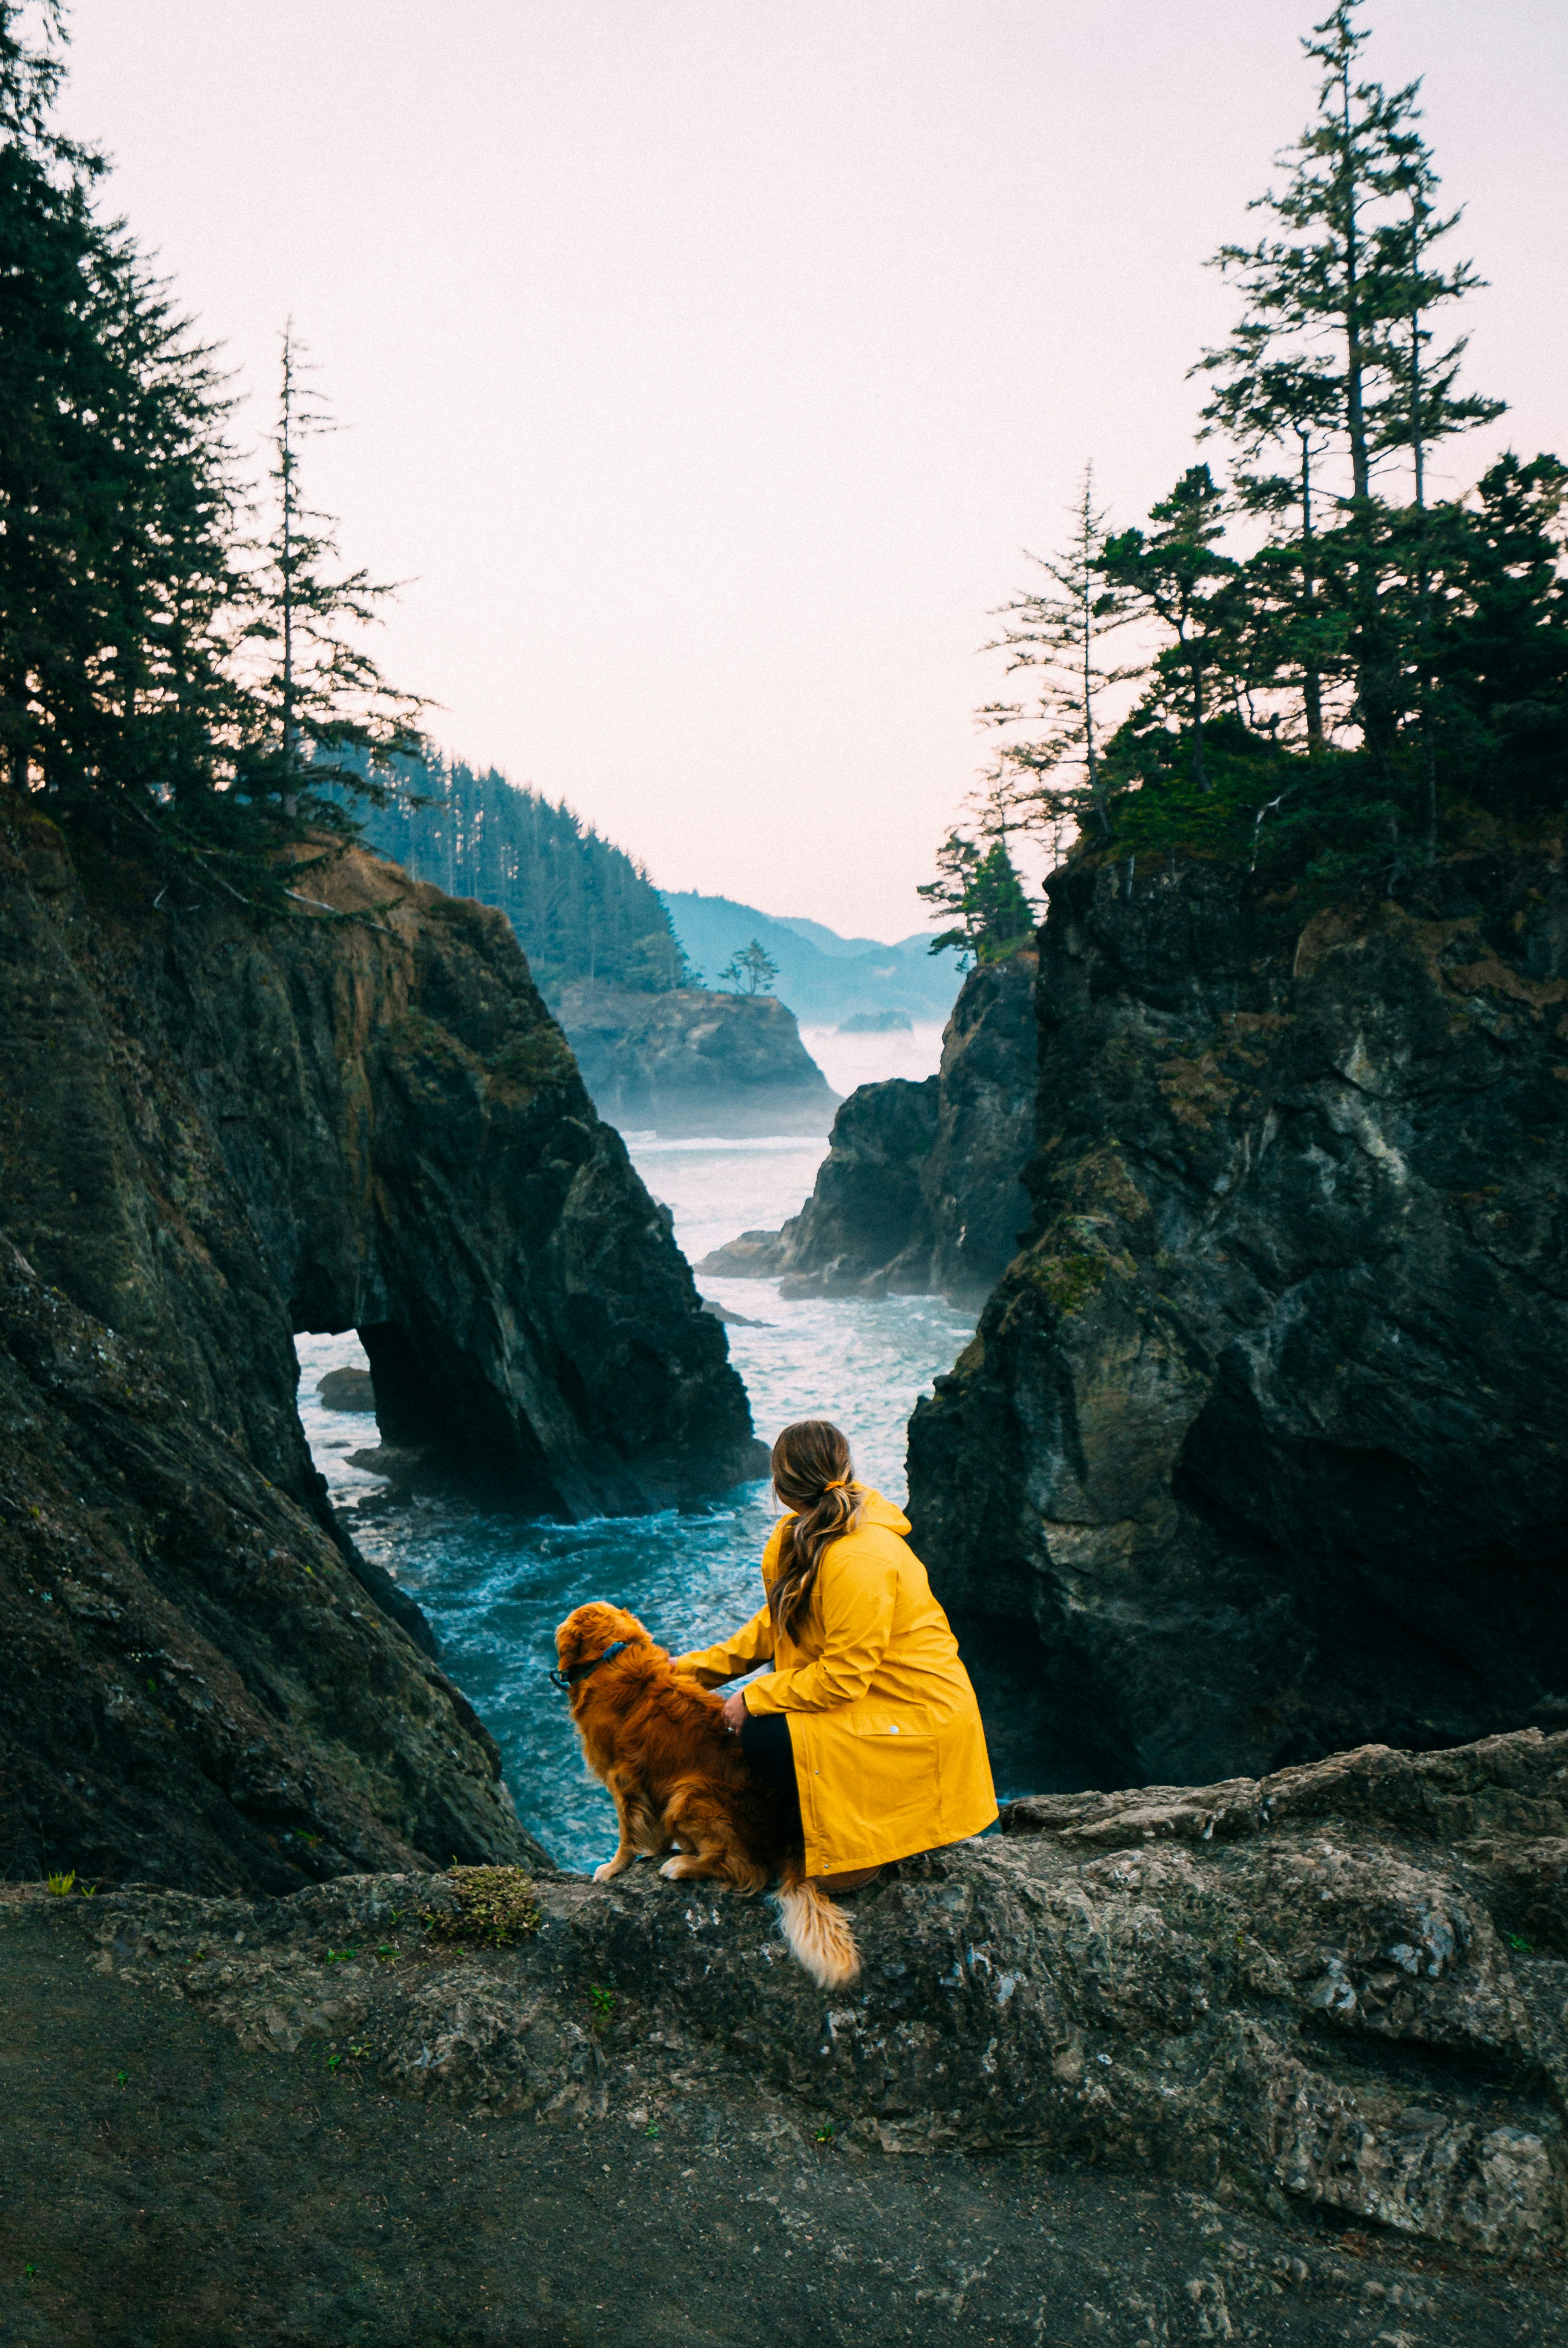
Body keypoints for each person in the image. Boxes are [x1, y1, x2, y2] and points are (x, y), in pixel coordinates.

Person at [673, 1418, 998, 1892]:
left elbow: (843, 1678)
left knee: (765, 1735)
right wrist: (687, 1671)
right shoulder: (804, 1536)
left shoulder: (859, 1558)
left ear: (780, 1488)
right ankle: (826, 1832)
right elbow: (774, 1626)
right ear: (846, 1468)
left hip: (917, 1717)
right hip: (880, 1701)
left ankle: (863, 1853)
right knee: (766, 1730)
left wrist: (755, 1697)